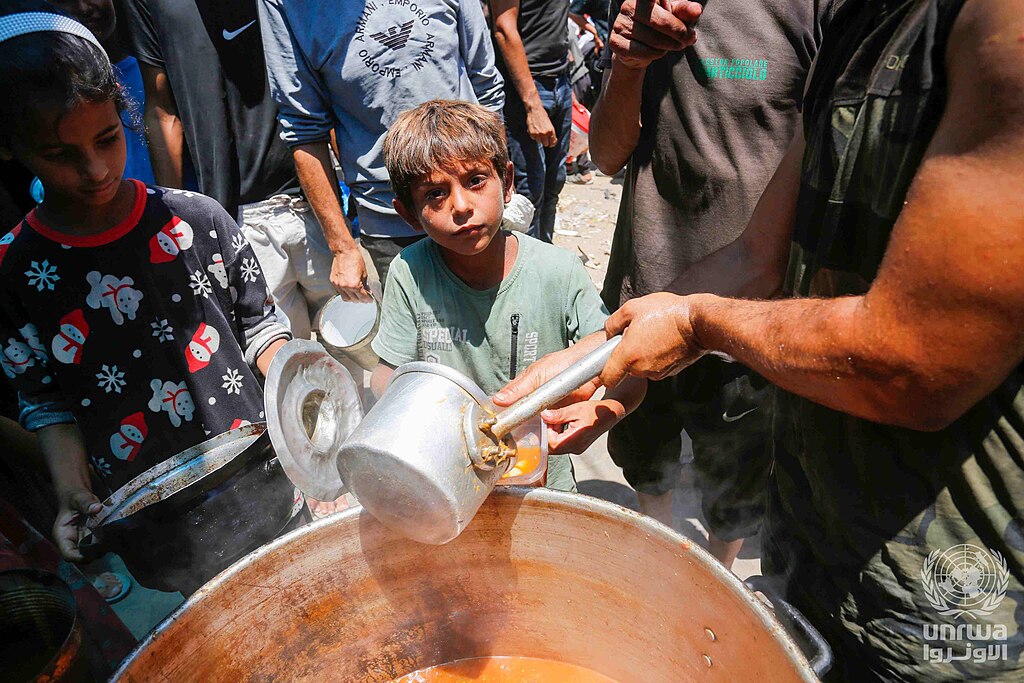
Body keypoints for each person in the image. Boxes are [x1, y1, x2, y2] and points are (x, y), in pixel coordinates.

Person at [499, 0, 1024, 678]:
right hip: (808, 541)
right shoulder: (857, 24)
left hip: (947, 599)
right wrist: (592, 356)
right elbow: (755, 256)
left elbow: (919, 363)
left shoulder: (998, 22)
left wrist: (696, 324)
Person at [0, 5, 298, 593]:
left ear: (123, 115)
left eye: (107, 139)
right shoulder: (14, 272)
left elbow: (260, 328)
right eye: (61, 155)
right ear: (10, 148)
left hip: (266, 479)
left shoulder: (195, 221)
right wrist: (71, 491)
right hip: (160, 523)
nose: (94, 169)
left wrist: (306, 393)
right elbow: (46, 402)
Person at [587, 0, 828, 569]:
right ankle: (655, 561)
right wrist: (628, 65)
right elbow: (606, 155)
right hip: (645, 287)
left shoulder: (813, 13)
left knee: (736, 483)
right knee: (646, 455)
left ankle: (716, 580)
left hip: (744, 309)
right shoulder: (643, 7)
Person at [370, 100, 645, 492]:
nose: (461, 206)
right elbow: (387, 373)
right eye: (435, 194)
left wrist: (606, 411)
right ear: (409, 213)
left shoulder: (558, 272)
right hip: (449, 478)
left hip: (543, 483)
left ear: (508, 181)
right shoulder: (409, 272)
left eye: (476, 181)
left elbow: (628, 364)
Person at [119, 0, 334, 340]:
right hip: (235, 223)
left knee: (363, 346)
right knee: (285, 364)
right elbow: (162, 110)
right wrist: (173, 225)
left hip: (317, 202)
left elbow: (325, 70)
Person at [257, 0, 505, 293]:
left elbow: (486, 85)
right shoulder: (287, 6)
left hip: (476, 206)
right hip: (389, 223)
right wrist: (342, 246)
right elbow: (304, 129)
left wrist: (499, 188)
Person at [490, 0, 573, 243]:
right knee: (529, 191)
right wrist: (532, 104)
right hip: (526, 86)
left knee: (554, 183)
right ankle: (526, 261)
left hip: (560, 80)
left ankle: (546, 253)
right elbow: (504, 28)